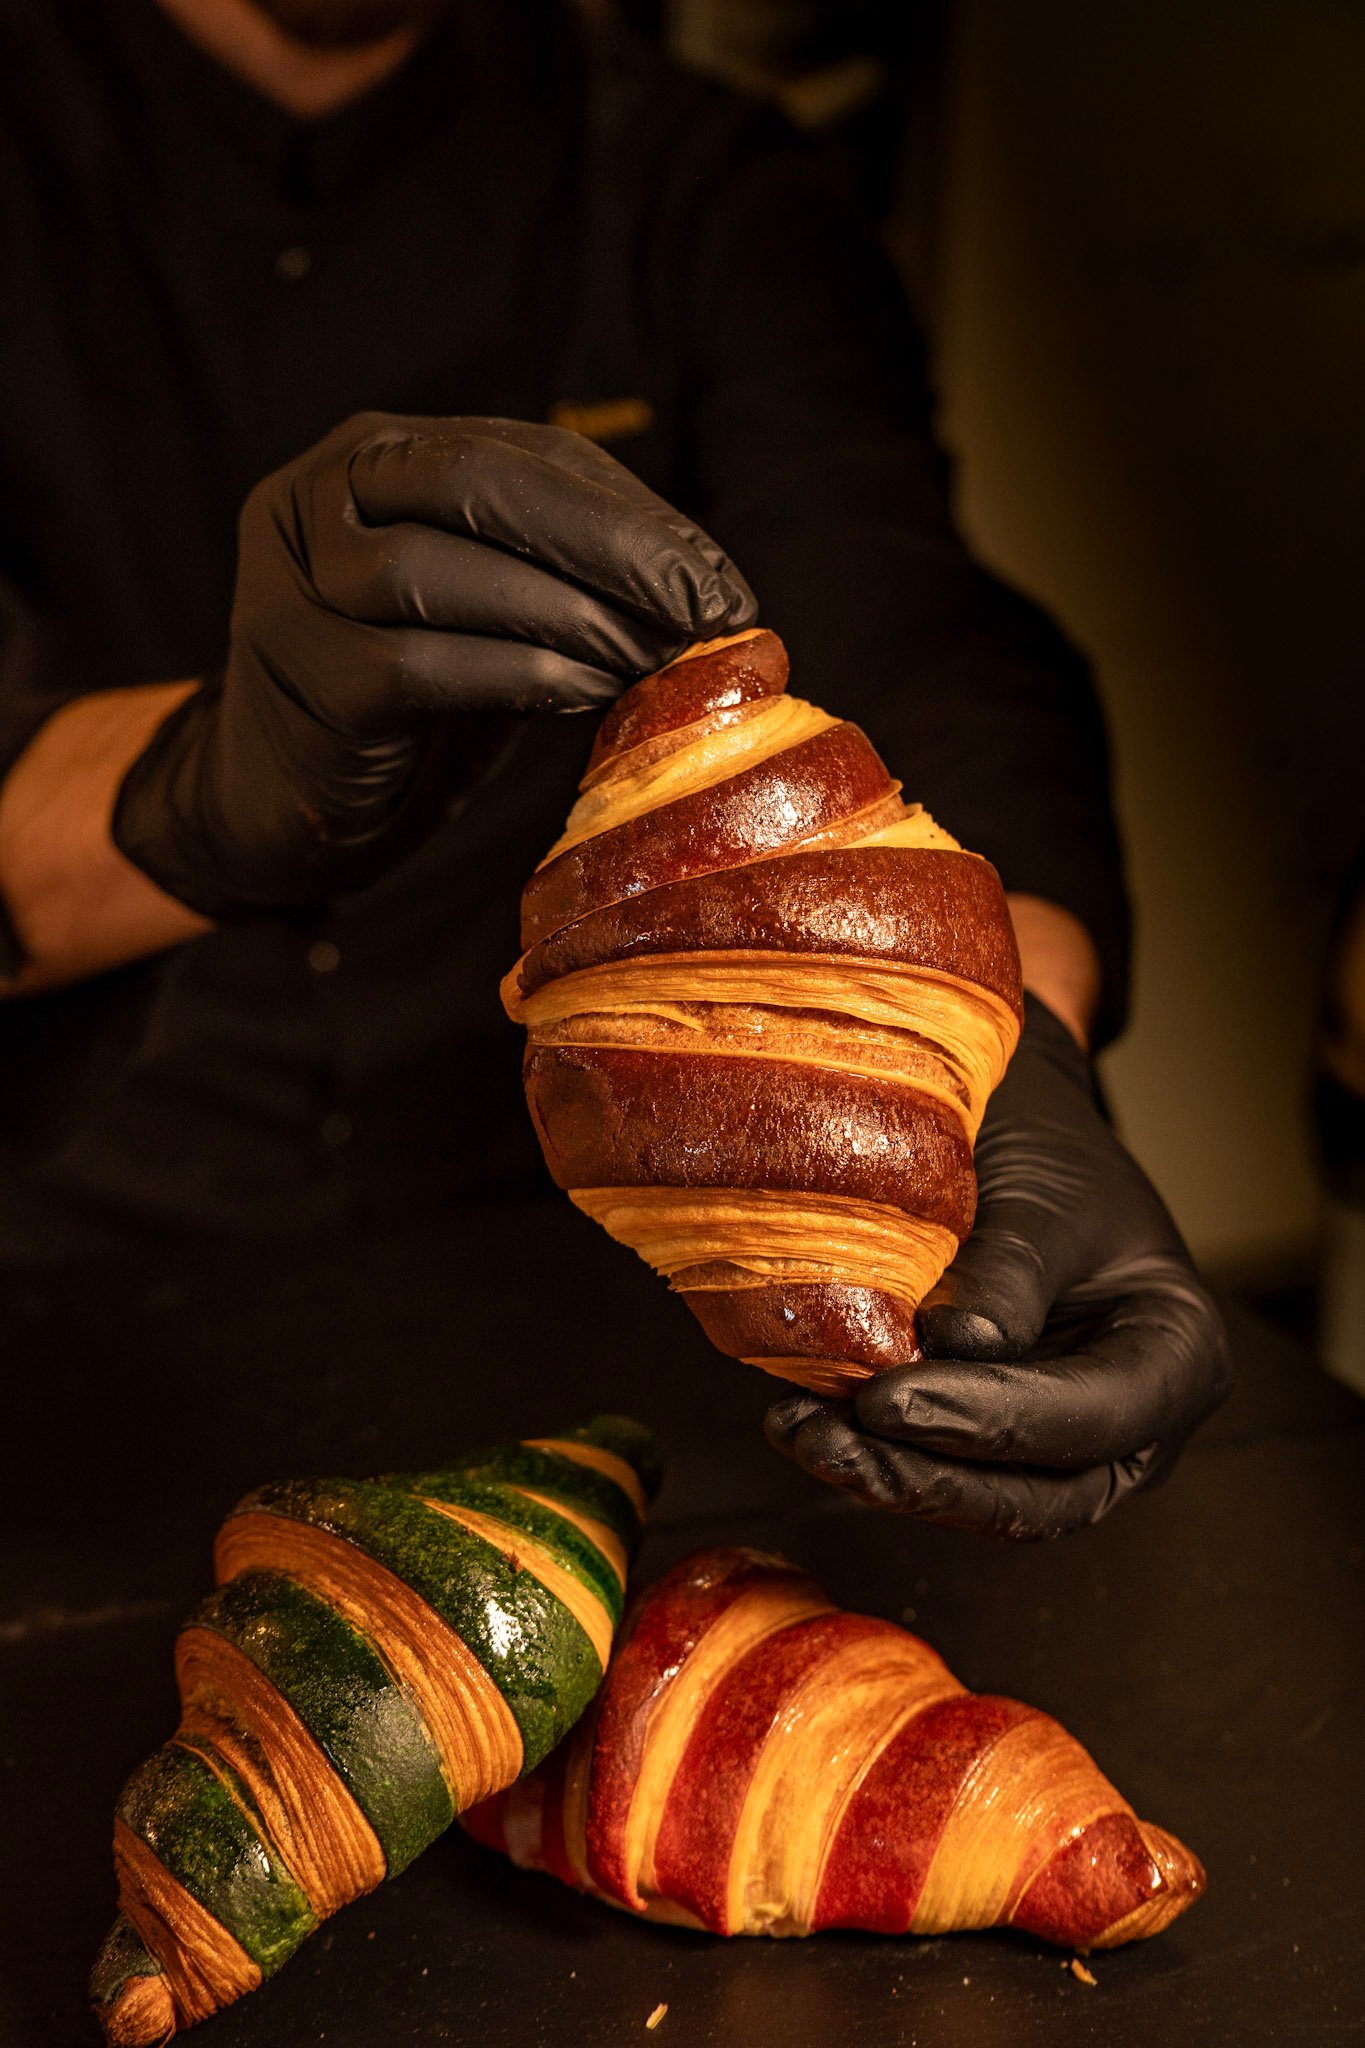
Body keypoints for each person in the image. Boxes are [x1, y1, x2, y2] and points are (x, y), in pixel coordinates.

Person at [0, 0, 1230, 1537]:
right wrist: (197, 783)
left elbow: (909, 628)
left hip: (595, 1304)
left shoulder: (691, 179)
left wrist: (1006, 1039)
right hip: (65, 1287)